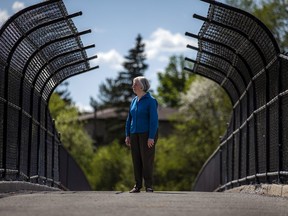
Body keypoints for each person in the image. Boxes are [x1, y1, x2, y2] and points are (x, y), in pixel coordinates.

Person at [125, 76, 158, 193]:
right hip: (134, 133)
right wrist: (127, 135)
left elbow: (154, 121)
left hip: (147, 134)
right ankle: (137, 185)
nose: (133, 86)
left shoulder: (151, 101)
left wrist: (151, 137)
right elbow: (129, 119)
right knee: (136, 160)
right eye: (133, 84)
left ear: (142, 86)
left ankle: (149, 185)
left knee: (146, 160)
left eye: (135, 84)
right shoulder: (133, 101)